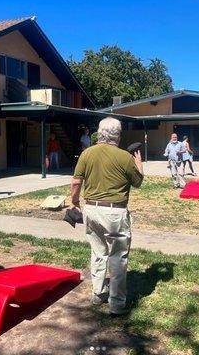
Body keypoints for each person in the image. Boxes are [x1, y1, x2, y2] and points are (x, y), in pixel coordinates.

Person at [70, 117, 143, 315]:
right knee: (118, 257)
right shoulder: (124, 157)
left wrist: (75, 202)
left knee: (98, 252)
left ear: (99, 133)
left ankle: (98, 293)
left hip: (91, 210)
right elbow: (138, 182)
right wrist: (139, 164)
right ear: (118, 135)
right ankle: (117, 304)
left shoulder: (87, 153)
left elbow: (76, 182)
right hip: (114, 212)